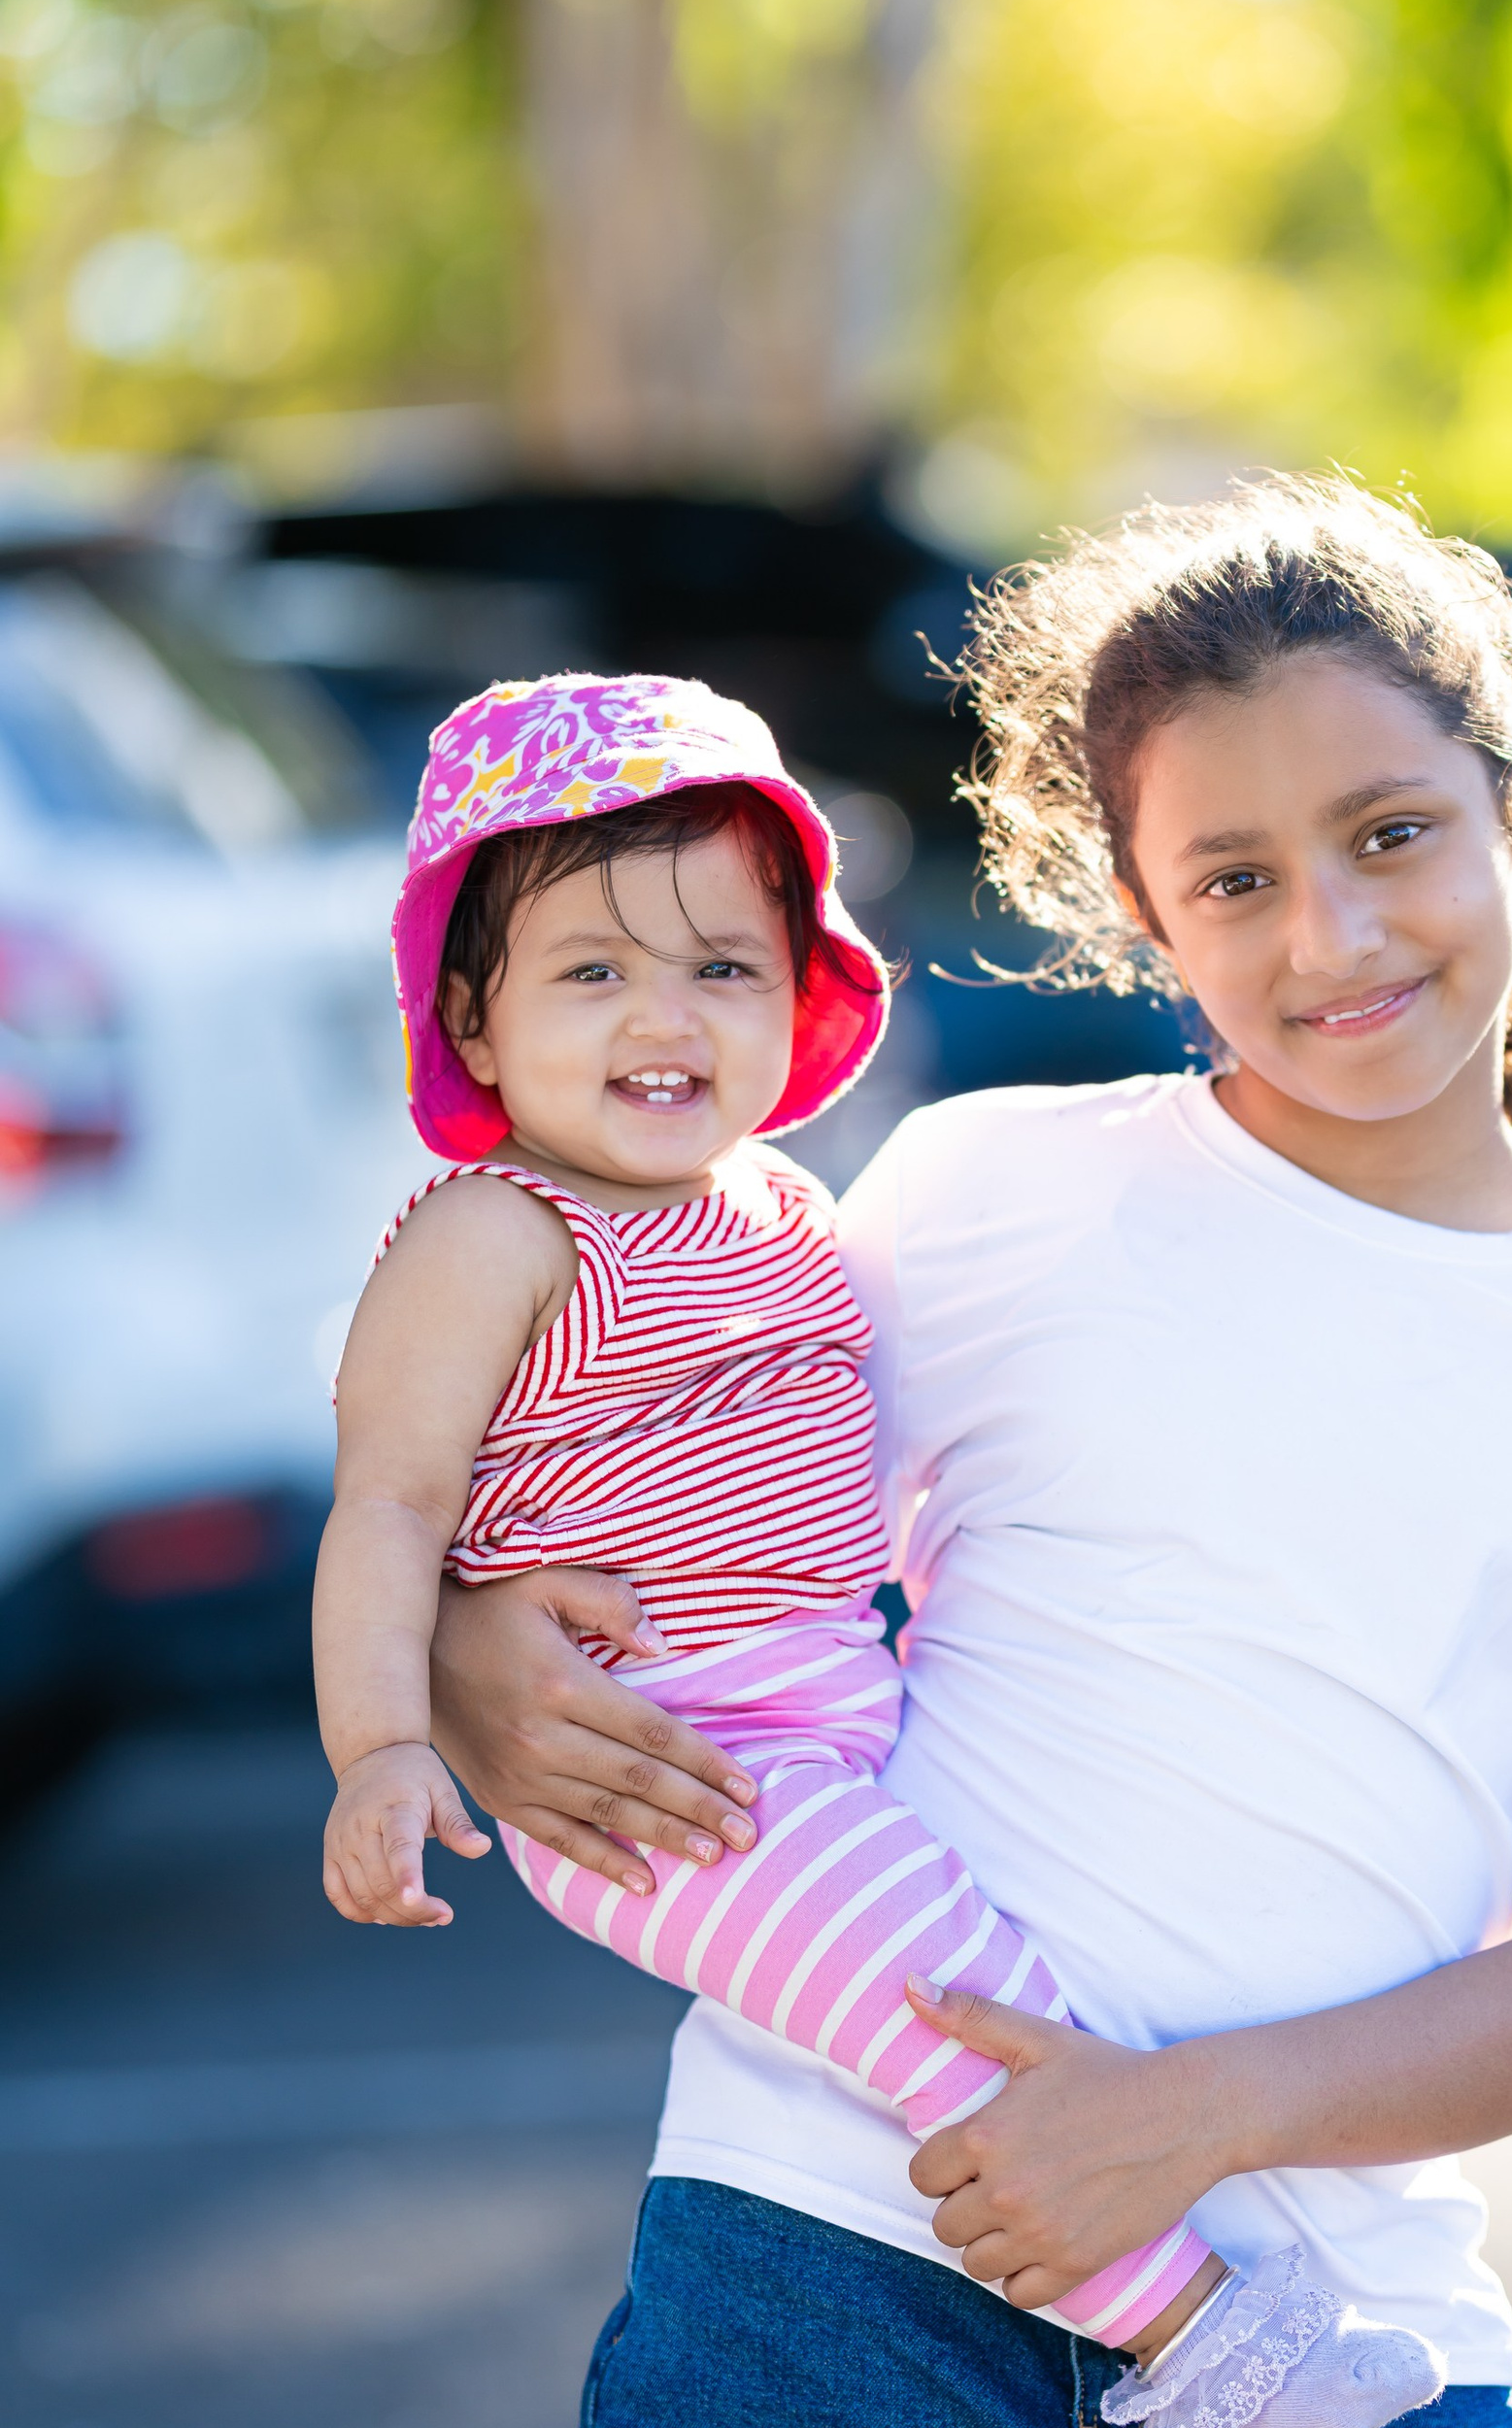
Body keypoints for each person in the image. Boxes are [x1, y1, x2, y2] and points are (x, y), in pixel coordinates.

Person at [426, 477, 1512, 2428]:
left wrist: (1187, 2116)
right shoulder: (987, 1196)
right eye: (1233, 878)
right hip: (833, 2239)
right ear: (1143, 913)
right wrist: (467, 1644)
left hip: (1332, 2322)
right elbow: (638, 1514)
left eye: (1392, 833)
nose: (1332, 930)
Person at [314, 669, 1445, 2428]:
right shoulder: (498, 1231)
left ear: (800, 991)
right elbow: (387, 1502)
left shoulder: (786, 1207)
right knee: (946, 2002)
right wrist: (387, 1740)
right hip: (675, 1766)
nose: (663, 1017)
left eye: (722, 968)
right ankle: (1208, 2340)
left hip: (836, 1721)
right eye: (592, 973)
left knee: (962, 1979)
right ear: (472, 1018)